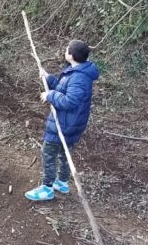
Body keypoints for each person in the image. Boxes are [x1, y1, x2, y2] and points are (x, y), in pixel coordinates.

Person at [25, 40, 100, 203]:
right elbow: (63, 88)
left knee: (49, 152)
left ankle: (47, 188)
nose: (65, 51)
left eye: (67, 50)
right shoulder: (77, 71)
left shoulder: (79, 77)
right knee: (65, 153)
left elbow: (69, 101)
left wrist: (50, 95)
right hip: (71, 123)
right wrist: (48, 78)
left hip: (66, 123)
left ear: (71, 55)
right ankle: (62, 182)